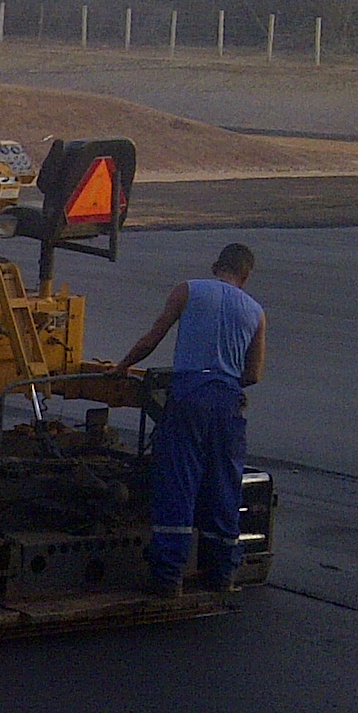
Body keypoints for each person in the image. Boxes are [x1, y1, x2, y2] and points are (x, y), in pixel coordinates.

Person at [105, 242, 266, 596]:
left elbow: (152, 338)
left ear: (215, 266)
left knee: (178, 483)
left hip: (188, 397)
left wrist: (122, 367)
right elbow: (253, 374)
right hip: (226, 403)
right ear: (246, 274)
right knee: (224, 485)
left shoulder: (188, 290)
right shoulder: (256, 312)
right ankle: (222, 574)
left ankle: (168, 578)